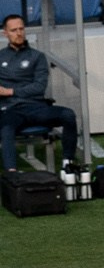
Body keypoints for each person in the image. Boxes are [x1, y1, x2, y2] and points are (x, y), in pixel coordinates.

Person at [0, 10, 77, 176]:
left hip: (36, 107)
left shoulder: (37, 57)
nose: (19, 33)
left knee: (68, 115)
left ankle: (68, 163)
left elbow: (39, 87)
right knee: (6, 128)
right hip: (10, 109)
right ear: (5, 33)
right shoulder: (1, 57)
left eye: (21, 29)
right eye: (14, 30)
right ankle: (12, 174)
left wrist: (10, 91)